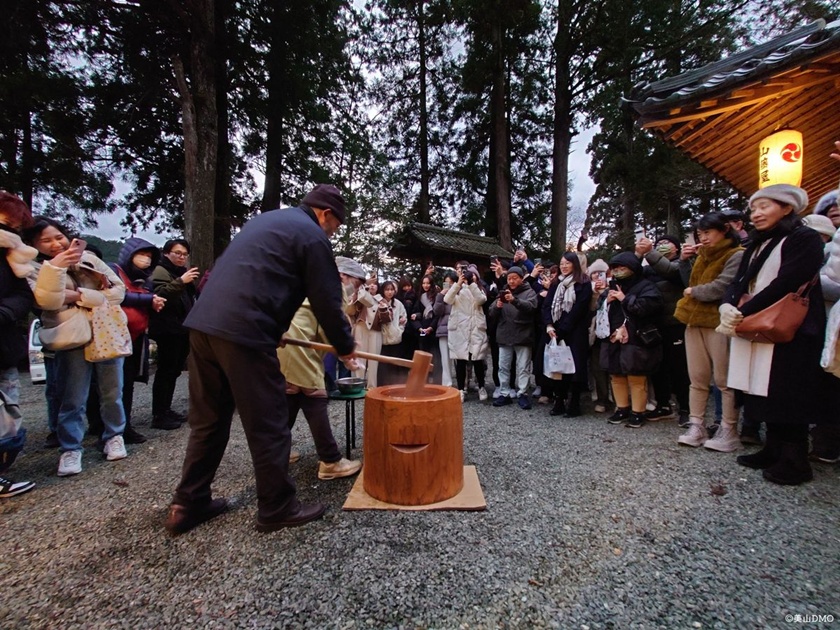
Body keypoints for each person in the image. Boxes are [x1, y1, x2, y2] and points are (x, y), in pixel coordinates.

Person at [164, 183, 358, 535]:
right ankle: (277, 507)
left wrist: (276, 326)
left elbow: (251, 277)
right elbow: (327, 299)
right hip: (245, 332)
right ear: (326, 214)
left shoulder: (265, 222)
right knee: (269, 422)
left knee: (208, 421)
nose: (334, 231)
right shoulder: (313, 237)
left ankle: (187, 503)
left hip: (205, 325)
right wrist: (344, 345)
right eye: (337, 224)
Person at [718, 184, 826, 485]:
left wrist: (748, 308)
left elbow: (790, 279)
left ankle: (795, 459)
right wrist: (727, 303)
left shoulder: (803, 237)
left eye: (764, 206)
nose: (756, 213)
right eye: (753, 208)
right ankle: (773, 448)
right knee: (762, 387)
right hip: (754, 321)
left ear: (787, 207)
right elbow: (739, 280)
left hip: (791, 325)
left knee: (787, 390)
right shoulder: (756, 243)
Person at [25, 218, 129, 476]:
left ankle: (114, 435)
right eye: (45, 240)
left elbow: (118, 291)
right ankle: (71, 448)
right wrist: (59, 272)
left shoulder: (90, 259)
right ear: (34, 245)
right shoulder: (34, 269)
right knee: (72, 397)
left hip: (104, 331)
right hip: (69, 335)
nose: (55, 244)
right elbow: (47, 301)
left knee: (112, 392)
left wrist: (78, 296)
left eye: (58, 237)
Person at [673, 213, 744, 450]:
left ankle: (729, 428)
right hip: (693, 321)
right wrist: (684, 262)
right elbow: (688, 283)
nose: (703, 238)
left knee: (724, 380)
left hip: (719, 321)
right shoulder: (701, 256)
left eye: (708, 232)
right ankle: (697, 425)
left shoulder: (737, 254)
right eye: (700, 233)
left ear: (724, 230)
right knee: (697, 377)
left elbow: (722, 287)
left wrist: (693, 293)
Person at [88, 238, 166, 444]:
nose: (146, 260)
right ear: (129, 255)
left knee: (127, 385)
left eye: (150, 257)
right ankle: (102, 428)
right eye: (142, 255)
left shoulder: (147, 280)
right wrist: (148, 300)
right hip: (109, 338)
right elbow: (116, 295)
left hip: (135, 338)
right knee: (107, 386)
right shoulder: (113, 271)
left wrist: (153, 303)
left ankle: (125, 427)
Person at [276, 297, 362, 480]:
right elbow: (330, 327)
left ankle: (275, 452)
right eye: (356, 281)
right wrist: (346, 354)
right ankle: (330, 461)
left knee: (292, 394)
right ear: (346, 276)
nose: (355, 287)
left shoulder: (305, 290)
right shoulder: (331, 289)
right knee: (315, 394)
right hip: (295, 345)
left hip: (284, 343)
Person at [0, 192, 37, 497]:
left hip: (3, 343)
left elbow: (25, 295)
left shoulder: (13, 260)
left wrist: (6, 311)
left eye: (13, 226)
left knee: (9, 414)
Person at [601, 252, 663, 429]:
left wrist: (624, 299)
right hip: (613, 334)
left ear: (633, 268)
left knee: (636, 375)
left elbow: (648, 308)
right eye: (615, 269)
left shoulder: (646, 286)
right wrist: (606, 301)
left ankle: (638, 411)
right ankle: (622, 408)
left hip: (637, 335)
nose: (619, 272)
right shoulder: (612, 286)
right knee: (616, 374)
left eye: (623, 268)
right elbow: (599, 311)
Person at [635, 234, 690, 425]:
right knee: (658, 366)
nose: (661, 246)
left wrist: (650, 252)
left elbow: (671, 273)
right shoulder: (650, 268)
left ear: (676, 248)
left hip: (676, 323)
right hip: (655, 324)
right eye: (658, 244)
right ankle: (663, 404)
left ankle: (686, 408)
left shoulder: (681, 264)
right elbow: (634, 274)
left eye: (665, 243)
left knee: (679, 368)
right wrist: (638, 254)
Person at [148, 238, 198, 430]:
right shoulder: (160, 270)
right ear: (167, 253)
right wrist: (181, 282)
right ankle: (159, 414)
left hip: (180, 327)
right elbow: (160, 296)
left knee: (174, 370)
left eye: (184, 254)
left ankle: (165, 410)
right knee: (166, 371)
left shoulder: (178, 272)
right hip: (167, 328)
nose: (181, 257)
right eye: (177, 253)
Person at [545, 252, 592, 417]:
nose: (564, 266)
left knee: (575, 367)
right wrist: (549, 325)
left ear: (575, 264)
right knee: (558, 366)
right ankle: (559, 401)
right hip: (555, 331)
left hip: (575, 331)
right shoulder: (556, 283)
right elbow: (547, 305)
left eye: (567, 263)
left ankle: (575, 403)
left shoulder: (584, 283)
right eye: (561, 263)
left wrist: (563, 329)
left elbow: (579, 309)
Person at [489, 265, 538, 409]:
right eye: (509, 278)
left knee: (523, 367)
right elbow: (491, 313)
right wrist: (497, 306)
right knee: (503, 366)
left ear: (521, 279)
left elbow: (531, 308)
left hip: (523, 334)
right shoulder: (503, 292)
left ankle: (522, 393)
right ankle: (504, 393)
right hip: (504, 333)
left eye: (515, 278)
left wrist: (514, 300)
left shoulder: (529, 292)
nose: (511, 281)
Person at [446, 262, 489, 402]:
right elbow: (447, 299)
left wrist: (471, 284)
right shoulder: (457, 289)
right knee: (461, 361)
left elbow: (481, 300)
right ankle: (460, 389)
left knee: (477, 360)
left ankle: (481, 386)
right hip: (460, 329)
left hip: (475, 328)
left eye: (473, 275)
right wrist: (458, 283)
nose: (470, 277)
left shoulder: (479, 289)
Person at [409, 274, 441, 382]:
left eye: (428, 283)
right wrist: (419, 328)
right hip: (422, 331)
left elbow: (438, 315)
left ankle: (437, 383)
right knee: (423, 358)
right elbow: (415, 315)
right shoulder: (420, 297)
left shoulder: (437, 296)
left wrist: (431, 327)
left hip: (434, 331)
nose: (426, 285)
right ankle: (423, 382)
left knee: (436, 359)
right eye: (424, 283)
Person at [377, 280, 408, 386]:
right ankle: (382, 386)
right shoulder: (378, 302)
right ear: (383, 291)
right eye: (387, 290)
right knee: (382, 365)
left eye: (391, 290)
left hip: (395, 338)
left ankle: (395, 385)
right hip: (382, 338)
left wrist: (400, 329)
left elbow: (404, 317)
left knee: (395, 364)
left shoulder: (398, 304)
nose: (389, 292)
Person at [434, 271, 457, 387]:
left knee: (459, 359)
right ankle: (447, 384)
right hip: (443, 329)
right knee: (445, 359)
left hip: (457, 329)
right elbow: (437, 312)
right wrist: (440, 296)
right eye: (446, 283)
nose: (449, 285)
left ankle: (463, 385)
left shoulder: (459, 294)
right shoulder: (441, 296)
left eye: (451, 283)